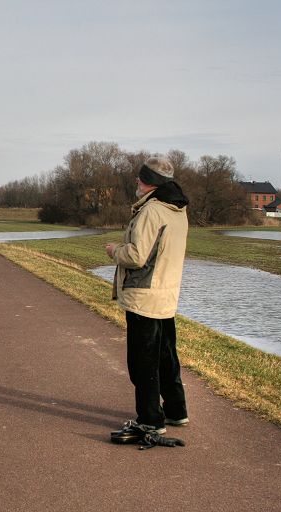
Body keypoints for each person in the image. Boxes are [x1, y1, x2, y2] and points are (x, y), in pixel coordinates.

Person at [105, 157, 190, 443]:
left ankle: (151, 420)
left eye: (140, 180)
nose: (137, 184)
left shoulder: (152, 211)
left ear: (150, 182)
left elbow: (136, 256)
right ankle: (176, 409)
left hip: (145, 297)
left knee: (143, 362)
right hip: (166, 294)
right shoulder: (178, 209)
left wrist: (115, 250)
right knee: (166, 356)